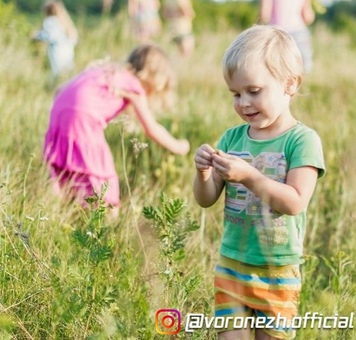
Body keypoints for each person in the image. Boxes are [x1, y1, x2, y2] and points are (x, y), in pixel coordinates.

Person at [193, 25, 325, 340]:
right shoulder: (232, 137)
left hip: (276, 268)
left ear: (289, 84)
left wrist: (250, 176)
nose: (243, 103)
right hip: (232, 261)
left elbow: (295, 201)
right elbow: (206, 198)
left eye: (254, 91)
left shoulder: (302, 141)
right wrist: (202, 173)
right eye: (235, 94)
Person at [43, 45, 190, 214]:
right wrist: (178, 146)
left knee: (68, 168)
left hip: (59, 111)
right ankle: (107, 223)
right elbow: (151, 128)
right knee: (105, 179)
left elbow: (60, 90)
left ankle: (57, 209)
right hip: (84, 119)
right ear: (155, 77)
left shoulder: (108, 71)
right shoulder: (134, 87)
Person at [259, 0, 315, 73]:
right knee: (303, 64)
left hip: (277, 32)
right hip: (298, 31)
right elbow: (308, 17)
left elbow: (265, 15)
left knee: (276, 66)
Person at [33, 1, 78, 82]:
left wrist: (37, 35)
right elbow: (73, 39)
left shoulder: (50, 21)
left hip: (57, 52)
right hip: (68, 52)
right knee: (67, 76)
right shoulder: (65, 20)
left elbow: (51, 36)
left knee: (57, 75)